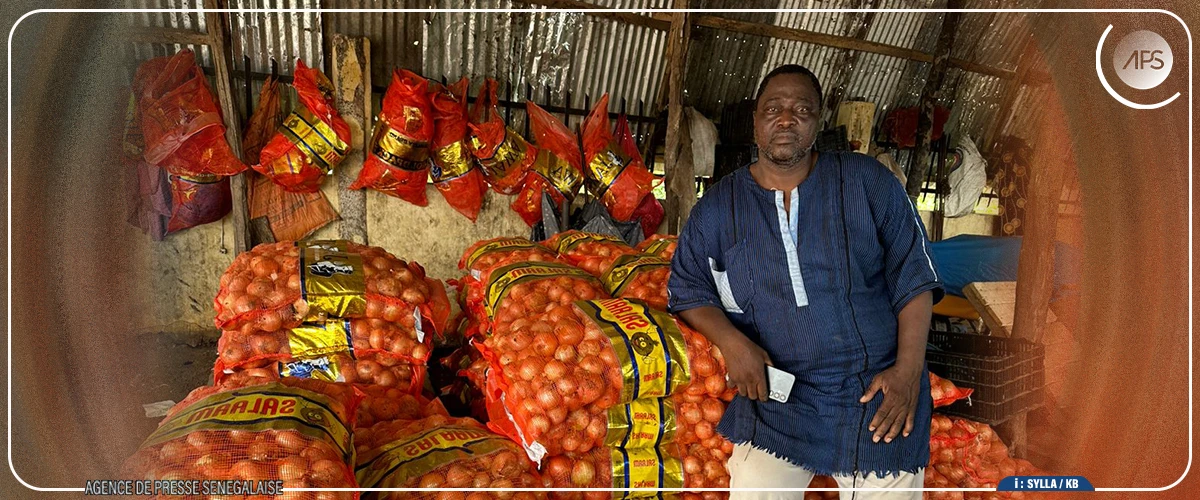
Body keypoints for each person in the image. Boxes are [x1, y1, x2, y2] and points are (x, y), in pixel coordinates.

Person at [667, 64, 944, 499]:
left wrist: (908, 374)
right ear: (755, 121)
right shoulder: (719, 207)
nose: (786, 119)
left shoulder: (867, 183)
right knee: (755, 490)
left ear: (818, 120)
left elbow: (914, 276)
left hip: (873, 390)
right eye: (773, 109)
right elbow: (687, 289)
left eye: (802, 109)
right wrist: (732, 343)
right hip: (780, 397)